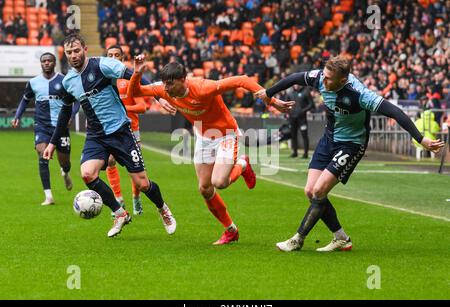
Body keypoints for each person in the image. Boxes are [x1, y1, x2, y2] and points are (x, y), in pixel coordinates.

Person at [256, 55, 445, 252]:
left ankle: (297, 239)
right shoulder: (320, 77)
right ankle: (341, 238)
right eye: (324, 76)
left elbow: (395, 112)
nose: (324, 81)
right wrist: (269, 94)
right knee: (310, 191)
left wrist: (421, 139)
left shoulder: (360, 94)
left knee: (320, 191)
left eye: (329, 79)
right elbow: (294, 77)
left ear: (342, 80)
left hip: (351, 144)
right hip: (329, 139)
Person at [128, 56, 293, 245]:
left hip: (226, 134)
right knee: (205, 188)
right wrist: (137, 72)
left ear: (183, 80)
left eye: (170, 84)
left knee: (219, 182)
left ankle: (242, 164)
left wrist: (270, 100)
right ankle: (231, 230)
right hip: (204, 137)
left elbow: (242, 80)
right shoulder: (165, 89)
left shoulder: (203, 87)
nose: (166, 89)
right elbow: (135, 91)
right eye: (164, 84)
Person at [43, 33, 176, 238]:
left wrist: (158, 97)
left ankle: (163, 209)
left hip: (121, 131)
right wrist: (52, 143)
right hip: (96, 136)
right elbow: (65, 111)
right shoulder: (69, 81)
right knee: (87, 173)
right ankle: (119, 212)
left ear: (85, 49)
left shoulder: (103, 65)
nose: (73, 55)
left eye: (77, 50)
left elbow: (135, 77)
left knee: (142, 183)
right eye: (69, 52)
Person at [12, 52, 78, 205]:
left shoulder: (64, 80)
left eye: (49, 61)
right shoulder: (34, 82)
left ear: (54, 63)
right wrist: (17, 116)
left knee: (65, 162)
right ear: (41, 64)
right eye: (44, 61)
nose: (46, 63)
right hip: (41, 126)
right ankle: (48, 196)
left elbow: (76, 101)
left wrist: (71, 115)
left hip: (60, 127)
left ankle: (65, 172)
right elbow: (25, 100)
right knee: (42, 156)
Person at [105, 44, 149, 216]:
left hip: (132, 129)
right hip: (112, 129)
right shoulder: (103, 79)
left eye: (117, 55)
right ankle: (118, 199)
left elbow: (142, 106)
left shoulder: (129, 79)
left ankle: (136, 198)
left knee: (134, 169)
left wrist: (123, 107)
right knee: (109, 161)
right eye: (110, 55)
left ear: (122, 59)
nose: (113, 57)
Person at [285, 84, 315, 158]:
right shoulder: (290, 93)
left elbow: (311, 104)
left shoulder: (305, 92)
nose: (296, 85)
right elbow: (285, 105)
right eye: (294, 84)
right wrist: (287, 113)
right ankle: (294, 152)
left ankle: (305, 153)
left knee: (304, 135)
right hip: (292, 118)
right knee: (293, 135)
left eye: (297, 84)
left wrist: (303, 111)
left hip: (302, 118)